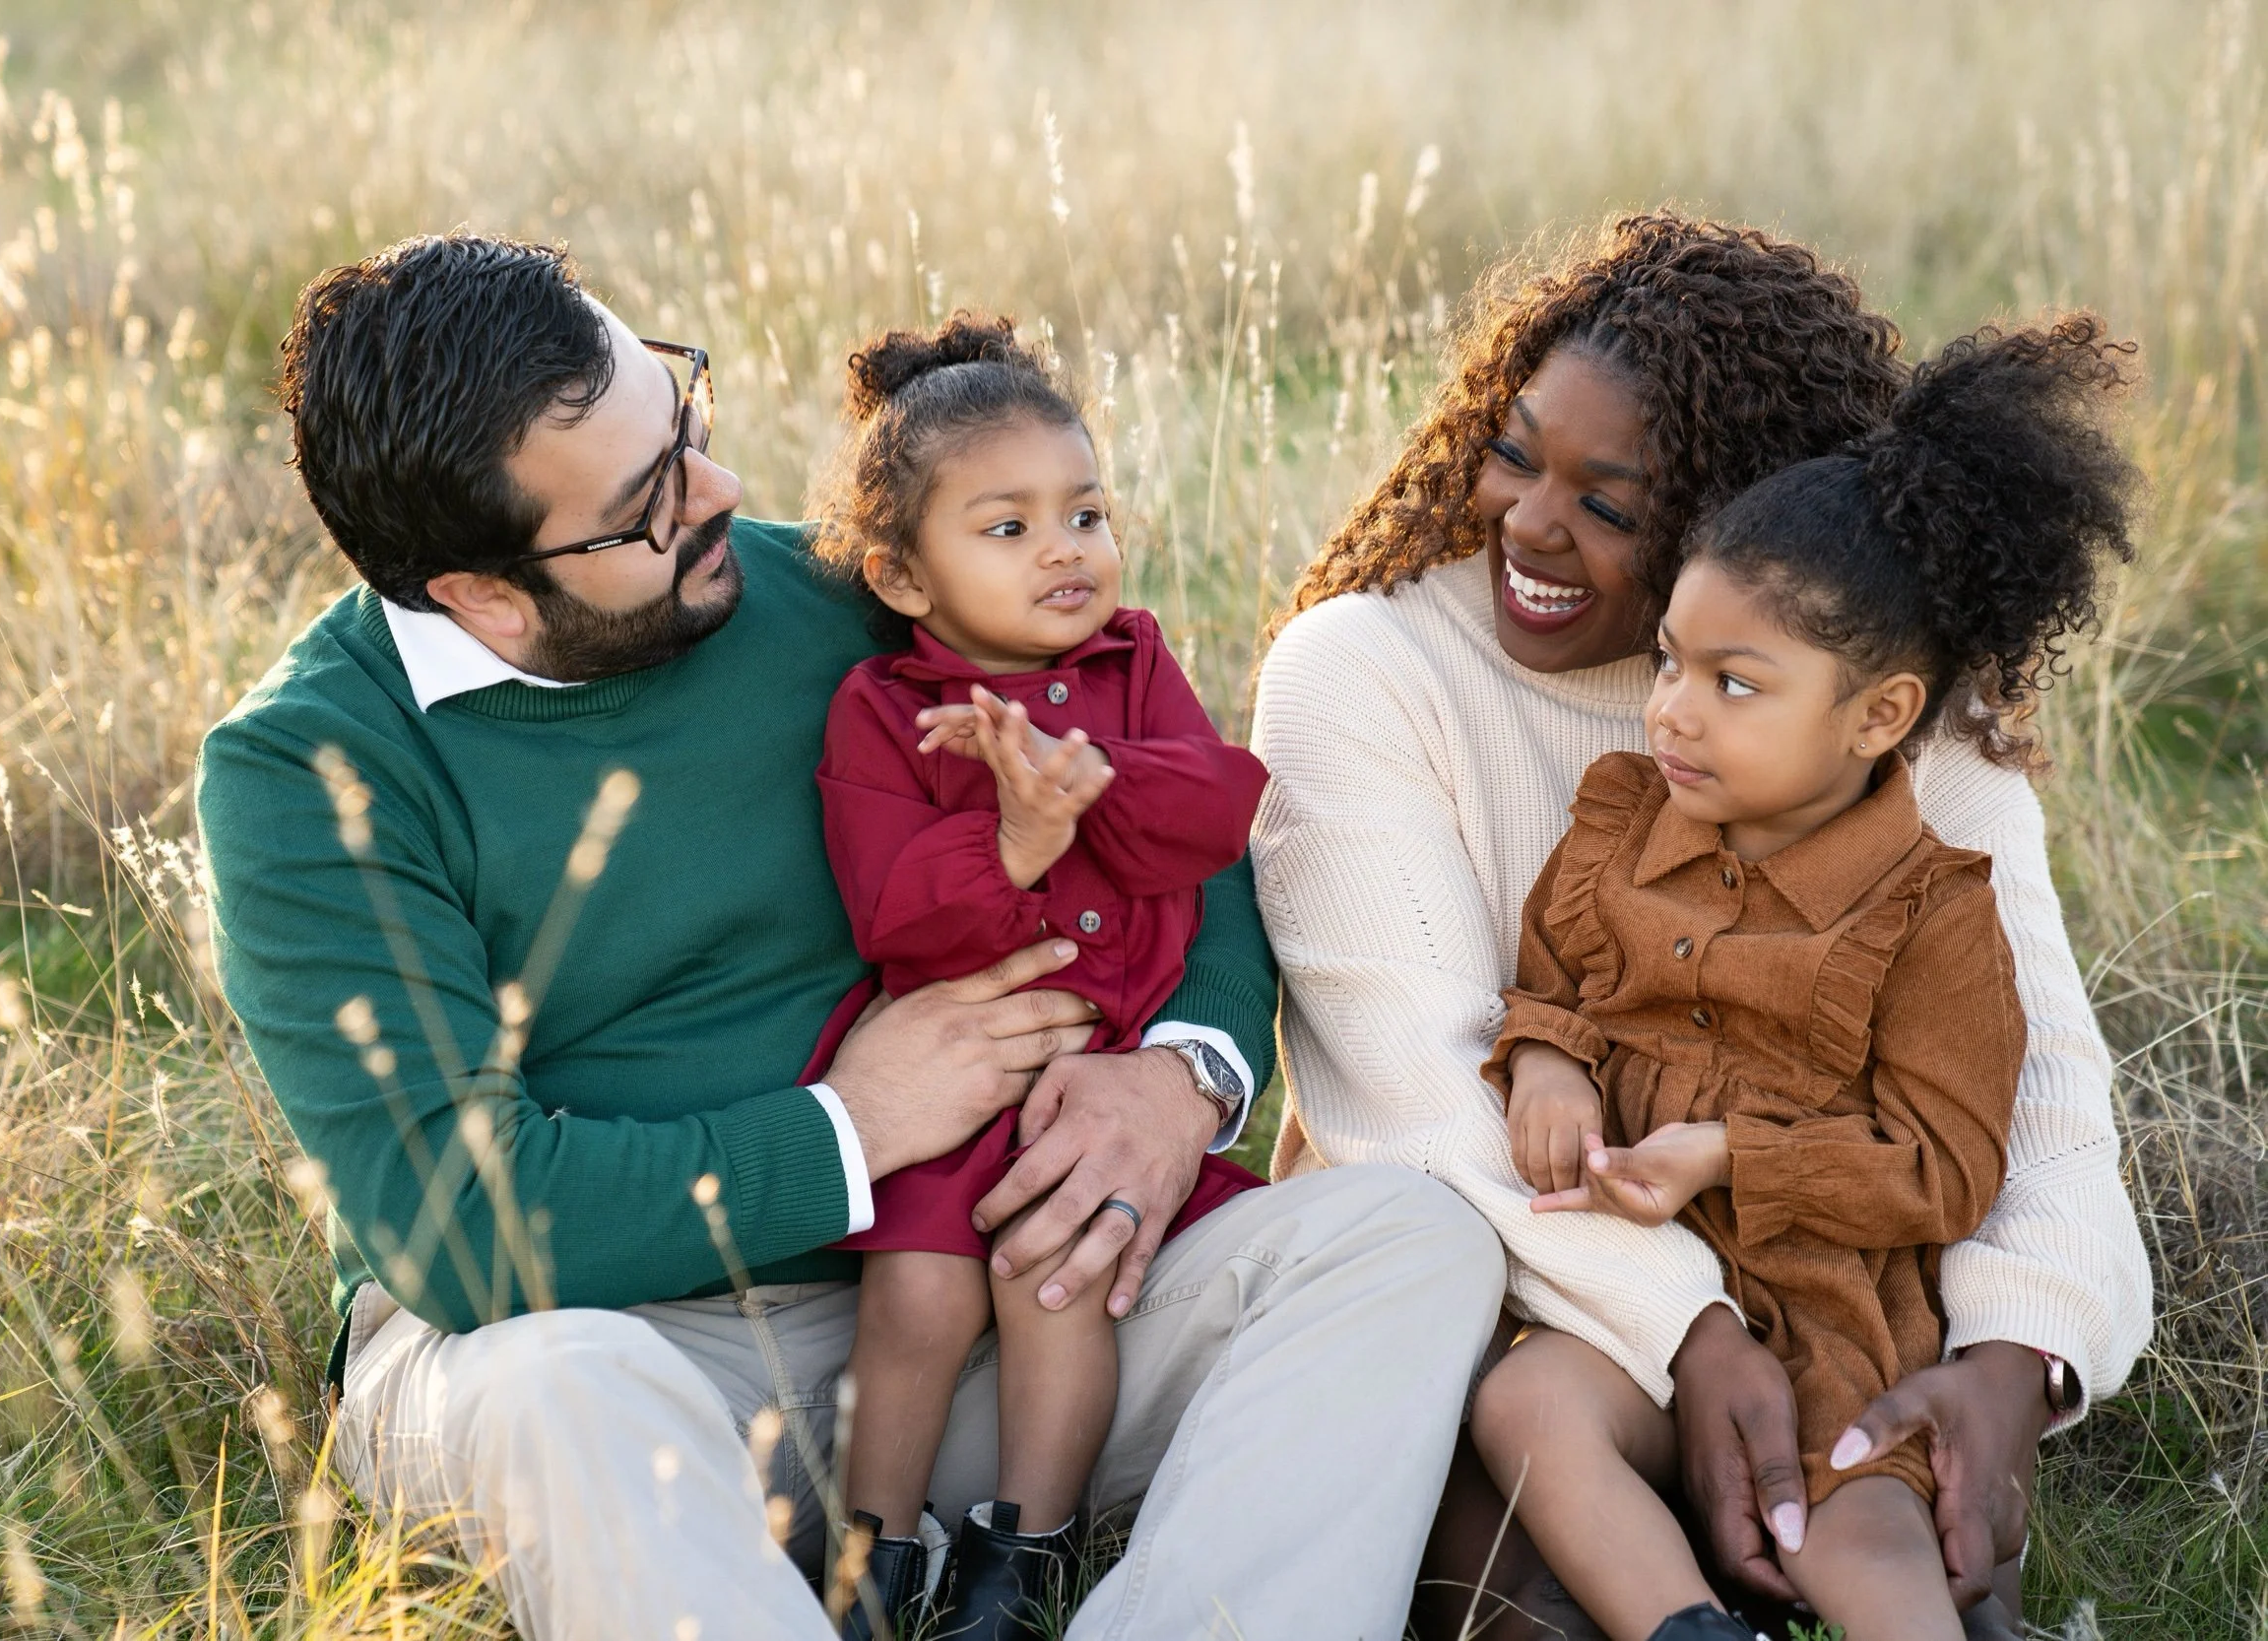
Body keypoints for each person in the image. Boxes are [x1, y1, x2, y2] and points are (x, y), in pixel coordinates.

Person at [197, 233, 1502, 1641]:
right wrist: (845, 1127)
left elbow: (1189, 841)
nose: (722, 491)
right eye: (648, 502)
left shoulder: (854, 595)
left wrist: (1182, 1077)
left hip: (973, 1315)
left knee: (1405, 1241)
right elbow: (466, 1229)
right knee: (553, 1387)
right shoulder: (312, 768)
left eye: (680, 418)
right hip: (618, 1364)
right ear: (482, 593)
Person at [1250, 215, 2155, 1638]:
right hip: (1513, 1298)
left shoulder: (1898, 713)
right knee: (1507, 1547)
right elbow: (1424, 1100)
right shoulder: (1365, 669)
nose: (1529, 525)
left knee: (1906, 1521)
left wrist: (2018, 1354)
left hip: (1829, 1292)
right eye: (1514, 450)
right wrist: (1687, 1325)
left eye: (1611, 507)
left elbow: (2034, 1094)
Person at [1468, 320, 2139, 1641]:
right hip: (1629, 1292)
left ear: (1881, 716)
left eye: (1734, 683)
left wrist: (1731, 1152)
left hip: (1829, 1328)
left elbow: (1948, 1165)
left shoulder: (1935, 912)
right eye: (1669, 659)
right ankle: (1689, 1627)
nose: (1671, 710)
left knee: (1864, 1533)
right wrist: (1545, 1056)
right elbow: (1548, 975)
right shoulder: (1617, 821)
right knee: (1527, 1409)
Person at [797, 314, 1270, 1639]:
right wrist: (1013, 838)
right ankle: (871, 1561)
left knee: (1056, 1277)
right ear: (901, 574)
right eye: (1006, 528)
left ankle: (1024, 1556)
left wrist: (1096, 783)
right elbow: (894, 914)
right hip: (955, 1076)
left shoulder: (1136, 668)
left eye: (1085, 512)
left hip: (1098, 1071)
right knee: (922, 1287)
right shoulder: (883, 712)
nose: (1065, 550)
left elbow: (1220, 814)